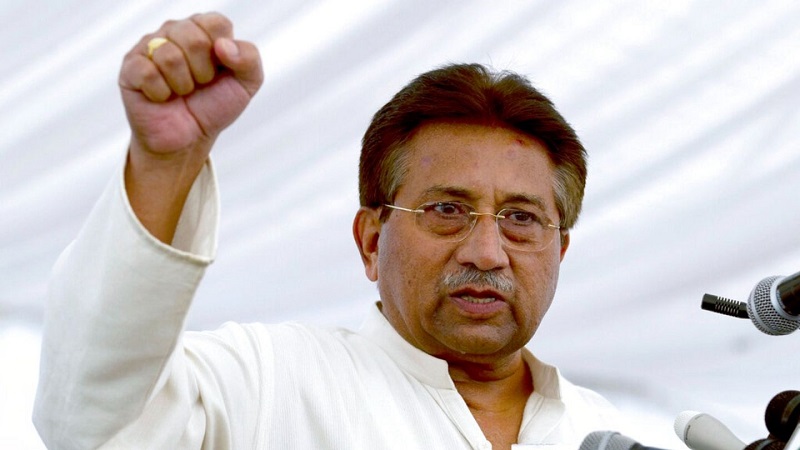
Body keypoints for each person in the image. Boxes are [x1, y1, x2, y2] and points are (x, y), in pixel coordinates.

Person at [33, 12, 626, 450]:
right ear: (371, 240)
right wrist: (165, 166)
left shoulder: (601, 432)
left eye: (521, 218)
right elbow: (96, 427)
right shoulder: (271, 382)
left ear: (560, 250)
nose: (486, 252)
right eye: (447, 210)